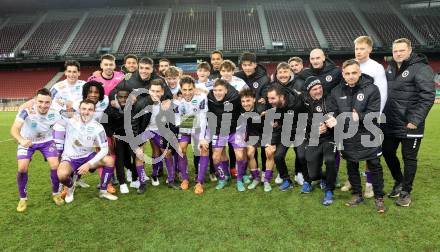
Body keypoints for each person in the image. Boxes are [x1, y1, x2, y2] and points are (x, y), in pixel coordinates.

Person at [326, 59, 385, 213]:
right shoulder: (336, 91)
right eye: (347, 73)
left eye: (354, 73)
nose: (351, 76)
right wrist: (331, 118)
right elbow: (333, 111)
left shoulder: (372, 89)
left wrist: (358, 116)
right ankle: (357, 194)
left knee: (374, 165)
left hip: (368, 133)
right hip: (348, 135)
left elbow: (374, 114)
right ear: (343, 75)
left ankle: (379, 197)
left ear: (359, 72)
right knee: (352, 164)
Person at [382, 38, 435, 207]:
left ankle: (406, 192)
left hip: (410, 123)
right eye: (395, 51)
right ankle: (399, 181)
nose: (398, 54)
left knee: (409, 158)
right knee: (387, 152)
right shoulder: (390, 68)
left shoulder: (421, 68)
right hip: (391, 122)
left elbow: (427, 96)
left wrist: (415, 119)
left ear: (410, 51)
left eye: (401, 51)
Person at [341, 35, 389, 197]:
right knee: (350, 151)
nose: (359, 52)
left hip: (369, 119)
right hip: (350, 120)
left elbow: (382, 94)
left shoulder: (376, 68)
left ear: (370, 49)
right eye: (356, 49)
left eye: (362, 48)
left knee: (370, 155)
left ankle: (369, 184)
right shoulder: (349, 65)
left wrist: (373, 119)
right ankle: (351, 180)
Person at [11, 88, 64, 212]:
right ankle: (23, 198)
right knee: (22, 167)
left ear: (51, 102)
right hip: (27, 141)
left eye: (47, 102)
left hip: (47, 141)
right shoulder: (27, 111)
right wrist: (21, 140)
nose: (43, 105)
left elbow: (72, 119)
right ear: (35, 100)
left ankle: (55, 193)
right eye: (40, 101)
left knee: (55, 165)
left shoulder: (56, 112)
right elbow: (14, 129)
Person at [57, 99, 117, 203]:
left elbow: (104, 149)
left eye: (90, 109)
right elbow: (54, 110)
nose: (86, 112)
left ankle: (103, 191)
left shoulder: (98, 127)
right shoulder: (70, 119)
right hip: (70, 158)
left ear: (94, 111)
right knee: (62, 175)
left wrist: (89, 164)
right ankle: (71, 187)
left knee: (109, 160)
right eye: (84, 109)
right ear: (79, 110)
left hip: (88, 156)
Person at [103, 86, 147, 194]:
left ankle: (135, 179)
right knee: (120, 160)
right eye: (120, 97)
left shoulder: (136, 107)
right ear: (116, 97)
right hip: (118, 138)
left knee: (134, 158)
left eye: (126, 97)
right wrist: (111, 134)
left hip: (132, 138)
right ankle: (122, 183)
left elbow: (142, 123)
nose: (123, 99)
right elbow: (104, 122)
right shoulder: (110, 108)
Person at [301, 76, 337, 205]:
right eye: (314, 89)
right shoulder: (304, 103)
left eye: (319, 87)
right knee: (313, 175)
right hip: (314, 138)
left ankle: (329, 190)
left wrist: (328, 124)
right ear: (309, 91)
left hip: (329, 138)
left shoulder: (330, 99)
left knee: (330, 160)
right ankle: (324, 177)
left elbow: (337, 114)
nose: (318, 91)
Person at [208, 79, 247, 191]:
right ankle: (223, 177)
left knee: (239, 156)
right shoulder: (209, 96)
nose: (217, 92)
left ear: (226, 90)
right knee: (216, 157)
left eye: (220, 90)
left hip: (235, 130)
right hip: (218, 130)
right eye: (215, 90)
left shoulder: (234, 97)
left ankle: (239, 180)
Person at [264, 84, 305, 192]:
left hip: (299, 132)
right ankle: (286, 180)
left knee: (301, 156)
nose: (270, 101)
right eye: (268, 98)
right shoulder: (276, 108)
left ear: (281, 97)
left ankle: (305, 179)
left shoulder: (297, 103)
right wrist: (272, 142)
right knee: (278, 156)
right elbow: (277, 126)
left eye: (272, 98)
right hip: (286, 133)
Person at [174, 76, 209, 193]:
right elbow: (178, 119)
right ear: (181, 89)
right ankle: (185, 179)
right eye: (184, 90)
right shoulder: (177, 100)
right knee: (180, 149)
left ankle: (200, 182)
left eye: (190, 89)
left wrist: (202, 138)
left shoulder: (201, 97)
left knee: (204, 148)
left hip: (199, 125)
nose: (187, 92)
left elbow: (203, 118)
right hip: (186, 123)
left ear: (194, 88)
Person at [238, 88, 264, 190]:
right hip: (250, 134)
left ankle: (258, 176)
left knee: (253, 153)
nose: (245, 104)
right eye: (243, 101)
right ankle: (255, 175)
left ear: (254, 99)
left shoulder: (261, 109)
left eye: (248, 100)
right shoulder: (239, 109)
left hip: (263, 134)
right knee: (247, 154)